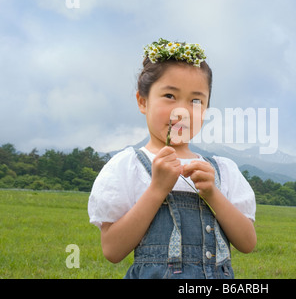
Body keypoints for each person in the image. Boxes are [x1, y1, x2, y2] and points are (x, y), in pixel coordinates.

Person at [88, 38, 257, 279]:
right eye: (169, 95)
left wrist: (213, 194)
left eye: (196, 100)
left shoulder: (222, 170)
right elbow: (113, 250)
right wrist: (157, 190)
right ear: (142, 101)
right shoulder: (129, 166)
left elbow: (247, 243)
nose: (183, 110)